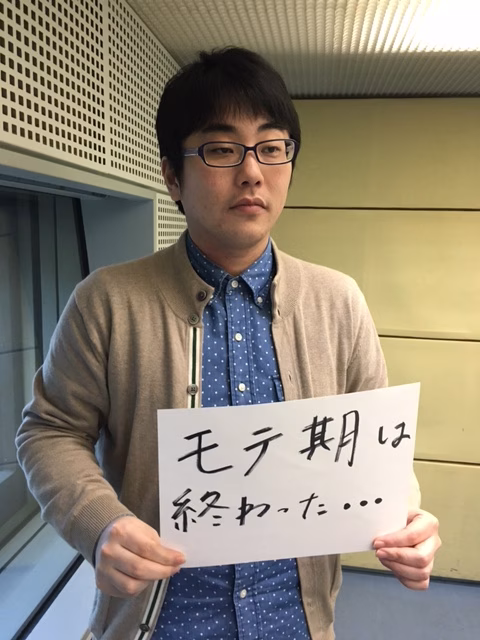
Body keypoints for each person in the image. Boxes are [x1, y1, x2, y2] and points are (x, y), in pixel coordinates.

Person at [16, 47, 441, 640]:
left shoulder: (339, 301)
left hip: (296, 624)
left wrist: (408, 516)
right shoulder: (106, 301)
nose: (252, 172)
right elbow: (50, 430)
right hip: (158, 625)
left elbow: (377, 447)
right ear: (172, 176)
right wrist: (99, 522)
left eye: (272, 148)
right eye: (221, 149)